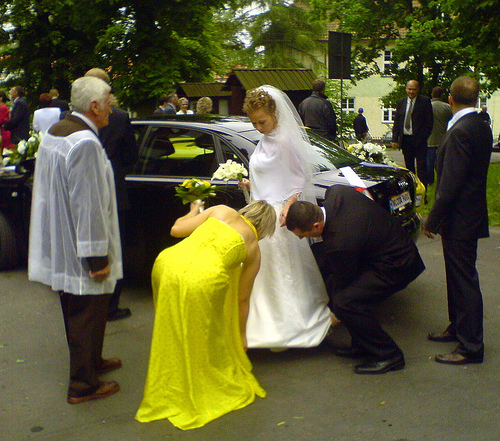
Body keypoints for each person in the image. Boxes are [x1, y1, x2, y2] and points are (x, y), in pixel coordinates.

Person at [136, 200, 276, 430]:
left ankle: (171, 381)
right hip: (202, 280)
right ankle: (193, 383)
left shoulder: (221, 210)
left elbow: (176, 230)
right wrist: (241, 335)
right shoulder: (253, 247)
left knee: (171, 327)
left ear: (247, 210)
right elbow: (242, 300)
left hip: (166, 264)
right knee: (201, 334)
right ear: (265, 229)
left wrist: (192, 211)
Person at [28, 76, 122, 404]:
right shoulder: (84, 143)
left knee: (82, 310)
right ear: (94, 106)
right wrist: (97, 258)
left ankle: (92, 361)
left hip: (64, 238)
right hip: (81, 245)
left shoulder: (58, 130)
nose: (111, 107)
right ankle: (83, 385)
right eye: (108, 101)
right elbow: (88, 204)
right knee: (86, 312)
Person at [286, 185, 425, 374]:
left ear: (316, 226)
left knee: (347, 303)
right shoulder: (337, 192)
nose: (302, 239)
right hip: (383, 248)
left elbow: (344, 278)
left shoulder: (340, 242)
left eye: (303, 235)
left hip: (397, 265)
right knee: (341, 295)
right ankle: (362, 345)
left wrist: (334, 313)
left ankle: (389, 355)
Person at [240, 85, 333, 348]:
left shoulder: (283, 140)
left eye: (262, 121)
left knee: (279, 269)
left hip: (278, 215)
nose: (258, 127)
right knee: (261, 270)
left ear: (275, 114)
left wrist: (290, 204)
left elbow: (298, 177)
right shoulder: (265, 139)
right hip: (261, 213)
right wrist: (250, 183)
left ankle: (287, 323)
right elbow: (272, 174)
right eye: (254, 123)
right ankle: (260, 320)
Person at [424, 76, 493, 365]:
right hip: (469, 213)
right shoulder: (480, 124)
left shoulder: (461, 130)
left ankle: (471, 346)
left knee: (463, 280)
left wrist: (432, 220)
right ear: (475, 99)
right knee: (457, 276)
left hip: (460, 217)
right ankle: (458, 326)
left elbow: (450, 183)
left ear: (450, 99)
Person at [85, 67, 138, 322]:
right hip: (114, 190)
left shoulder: (72, 118)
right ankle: (110, 306)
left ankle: (88, 301)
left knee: (88, 244)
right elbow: (131, 156)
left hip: (85, 190)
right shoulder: (120, 117)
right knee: (115, 249)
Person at [392, 80, 433, 187]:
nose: (411, 92)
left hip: (420, 140)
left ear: (418, 90)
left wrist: (422, 138)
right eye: (409, 89)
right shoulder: (401, 102)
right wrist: (395, 139)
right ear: (406, 89)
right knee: (409, 168)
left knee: (421, 167)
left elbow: (429, 123)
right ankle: (411, 189)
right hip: (406, 140)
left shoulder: (424, 102)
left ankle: (422, 190)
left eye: (414, 89)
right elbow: (397, 121)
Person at [427, 87, 452, 185]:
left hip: (429, 139)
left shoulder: (427, 106)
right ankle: (441, 179)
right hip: (443, 138)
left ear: (432, 94)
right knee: (442, 162)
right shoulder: (447, 107)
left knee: (429, 162)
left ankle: (430, 181)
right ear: (441, 95)